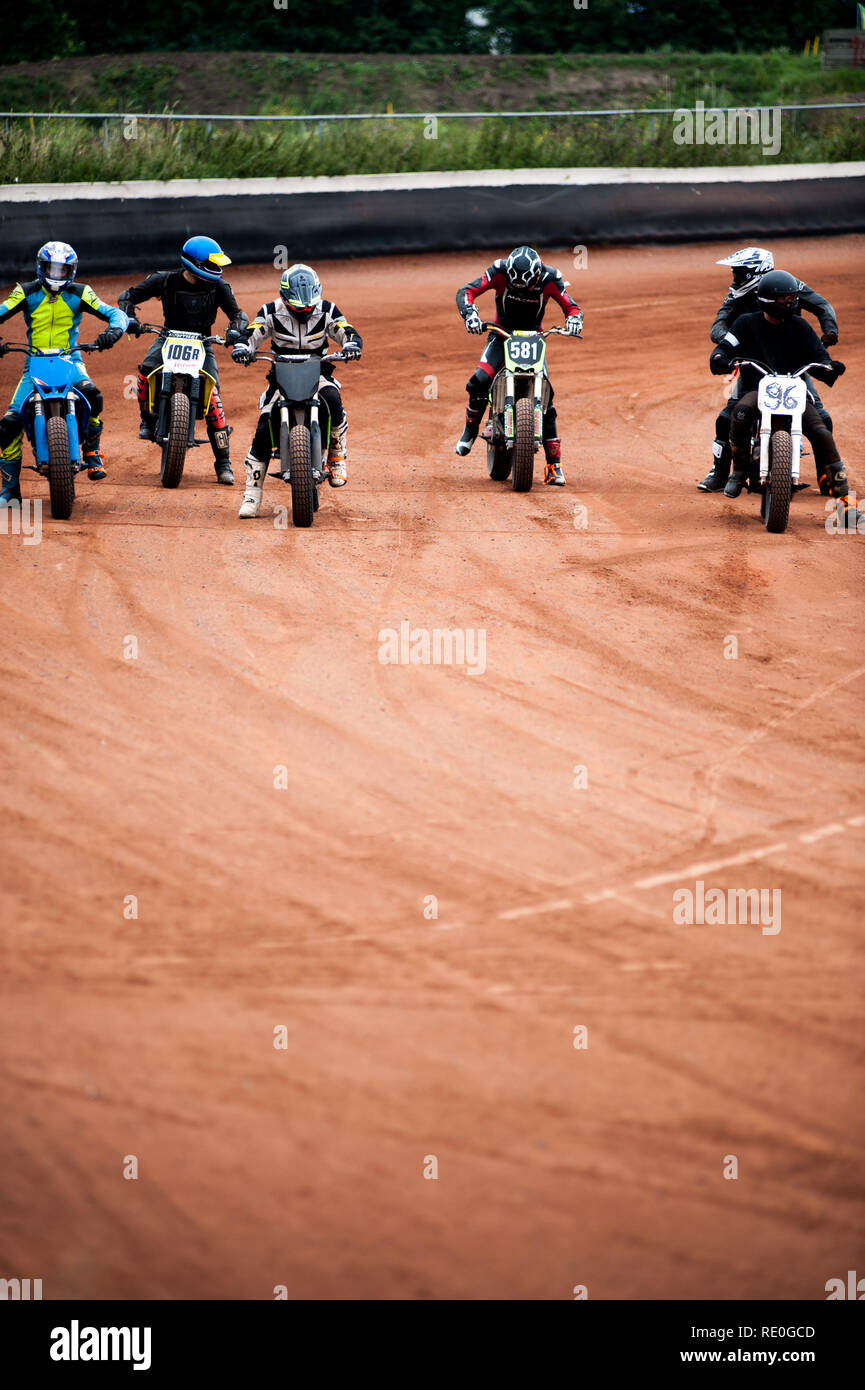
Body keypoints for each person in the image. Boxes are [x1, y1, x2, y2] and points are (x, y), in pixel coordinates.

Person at [699, 247, 839, 492]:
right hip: (755, 366)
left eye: (739, 273)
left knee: (821, 419)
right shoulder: (737, 295)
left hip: (793, 367)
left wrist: (829, 332)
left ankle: (826, 478)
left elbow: (823, 306)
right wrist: (734, 344)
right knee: (727, 418)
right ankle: (721, 474)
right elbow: (717, 328)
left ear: (756, 271)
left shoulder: (787, 286)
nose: (735, 278)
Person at [0, 241, 127, 503]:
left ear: (73, 271)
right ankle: (10, 490)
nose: (57, 275)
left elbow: (114, 313)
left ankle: (92, 452)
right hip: (33, 363)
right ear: (41, 268)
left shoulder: (82, 292)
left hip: (71, 360)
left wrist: (113, 331)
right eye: (52, 269)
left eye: (63, 270)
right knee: (9, 423)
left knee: (94, 396)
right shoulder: (25, 292)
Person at [231, 263, 362, 518]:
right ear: (284, 297)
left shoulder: (327, 309)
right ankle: (252, 495)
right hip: (281, 374)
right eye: (297, 307)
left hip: (319, 372)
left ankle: (336, 457)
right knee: (264, 424)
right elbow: (252, 333)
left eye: (308, 307)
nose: (304, 311)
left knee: (333, 399)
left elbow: (347, 331)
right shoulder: (270, 311)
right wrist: (242, 348)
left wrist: (352, 345)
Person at [119, 236, 248, 485]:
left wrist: (235, 330)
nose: (216, 270)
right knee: (146, 369)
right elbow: (128, 296)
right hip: (167, 338)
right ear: (195, 263)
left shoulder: (219, 287)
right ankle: (147, 418)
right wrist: (130, 318)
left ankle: (223, 464)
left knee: (214, 400)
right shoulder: (166, 280)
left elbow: (238, 314)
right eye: (211, 264)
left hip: (202, 342)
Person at [454, 245, 583, 486]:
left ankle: (554, 466)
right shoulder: (499, 270)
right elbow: (467, 290)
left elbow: (572, 306)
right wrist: (470, 314)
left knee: (547, 397)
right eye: (515, 286)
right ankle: (470, 433)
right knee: (479, 381)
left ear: (536, 275)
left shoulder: (550, 277)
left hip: (534, 338)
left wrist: (574, 320)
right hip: (501, 335)